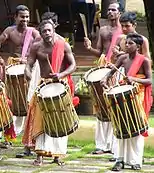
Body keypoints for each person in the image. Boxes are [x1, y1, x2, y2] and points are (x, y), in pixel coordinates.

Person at [24, 20, 77, 166]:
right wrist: (27, 73)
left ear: (54, 30)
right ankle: (40, 155)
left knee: (59, 121)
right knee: (40, 119)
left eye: (49, 30)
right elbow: (29, 64)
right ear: (40, 33)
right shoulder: (36, 47)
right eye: (44, 31)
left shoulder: (63, 44)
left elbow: (73, 65)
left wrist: (61, 75)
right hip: (44, 85)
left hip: (60, 85)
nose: (47, 33)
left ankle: (57, 156)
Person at [101, 33, 152, 171]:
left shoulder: (144, 60)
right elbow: (110, 72)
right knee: (121, 125)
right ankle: (120, 159)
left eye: (130, 44)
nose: (127, 45)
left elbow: (149, 80)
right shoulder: (123, 58)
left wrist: (135, 79)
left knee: (136, 127)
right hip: (124, 95)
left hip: (138, 95)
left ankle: (135, 161)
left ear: (138, 46)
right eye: (126, 43)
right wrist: (104, 79)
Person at [0, 5, 40, 148]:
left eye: (27, 17)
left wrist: (28, 59)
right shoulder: (9, 31)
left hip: (28, 68)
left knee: (26, 100)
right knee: (11, 100)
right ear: (15, 17)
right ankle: (9, 135)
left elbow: (41, 46)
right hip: (12, 67)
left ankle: (26, 134)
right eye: (22, 17)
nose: (25, 20)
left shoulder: (33, 32)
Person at [83, 2, 121, 155]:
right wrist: (89, 48)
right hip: (102, 67)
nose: (110, 12)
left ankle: (113, 145)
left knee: (114, 106)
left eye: (114, 10)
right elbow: (99, 52)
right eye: (109, 9)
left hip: (116, 69)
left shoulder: (124, 30)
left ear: (120, 13)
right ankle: (101, 145)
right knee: (101, 106)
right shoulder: (103, 30)